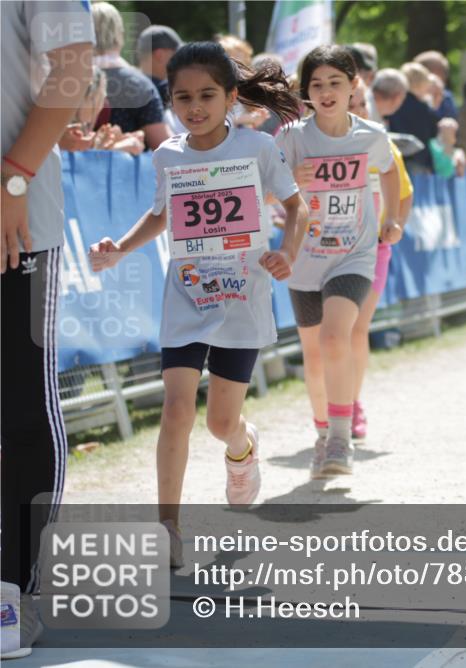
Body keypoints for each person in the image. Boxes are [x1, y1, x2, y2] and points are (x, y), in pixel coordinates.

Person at [88, 42, 305, 566]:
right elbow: (162, 214)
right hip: (185, 296)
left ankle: (243, 446)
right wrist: (119, 246)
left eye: (207, 95)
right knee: (177, 408)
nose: (195, 106)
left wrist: (286, 255)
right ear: (171, 101)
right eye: (182, 97)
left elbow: (297, 209)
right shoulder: (168, 155)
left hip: (241, 299)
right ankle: (168, 527)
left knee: (218, 423)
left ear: (231, 96)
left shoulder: (255, 147)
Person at [1, 1, 94, 659]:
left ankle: (14, 593)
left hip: (16, 223)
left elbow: (72, 71)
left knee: (23, 410)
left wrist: (11, 180)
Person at [275, 45, 401, 478]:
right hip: (305, 257)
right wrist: (292, 181)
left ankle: (341, 441)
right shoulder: (292, 137)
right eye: (317, 84)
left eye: (335, 83)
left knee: (335, 339)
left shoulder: (371, 137)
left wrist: (391, 218)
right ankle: (323, 432)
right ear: (306, 92)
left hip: (354, 252)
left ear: (353, 86)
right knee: (313, 356)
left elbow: (389, 171)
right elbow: (266, 190)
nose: (326, 92)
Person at [345, 80, 414, 442]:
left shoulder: (383, 147)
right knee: (329, 333)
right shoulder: (320, 146)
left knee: (356, 328)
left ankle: (352, 404)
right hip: (328, 249)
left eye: (362, 105)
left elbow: (404, 195)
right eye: (350, 104)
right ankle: (329, 405)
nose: (357, 111)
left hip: (373, 249)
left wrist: (395, 224)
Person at [91, 1, 169, 150]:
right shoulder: (141, 85)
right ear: (120, 34)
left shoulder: (67, 81)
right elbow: (162, 145)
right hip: (126, 169)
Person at [59, 66, 145, 155]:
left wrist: (112, 142)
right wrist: (120, 147)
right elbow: (79, 159)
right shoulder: (61, 133)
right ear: (87, 98)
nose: (102, 106)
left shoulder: (72, 130)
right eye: (100, 98)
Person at [384, 63, 439, 173]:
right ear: (422, 84)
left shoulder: (392, 103)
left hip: (395, 159)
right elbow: (434, 132)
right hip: (419, 160)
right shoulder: (424, 108)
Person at [136, 24, 183, 107]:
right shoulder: (163, 91)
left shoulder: (128, 87)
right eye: (177, 54)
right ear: (159, 55)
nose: (182, 60)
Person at [415, 50, 458, 119]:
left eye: (445, 71)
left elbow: (453, 119)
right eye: (441, 70)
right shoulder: (408, 97)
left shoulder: (447, 97)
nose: (445, 75)